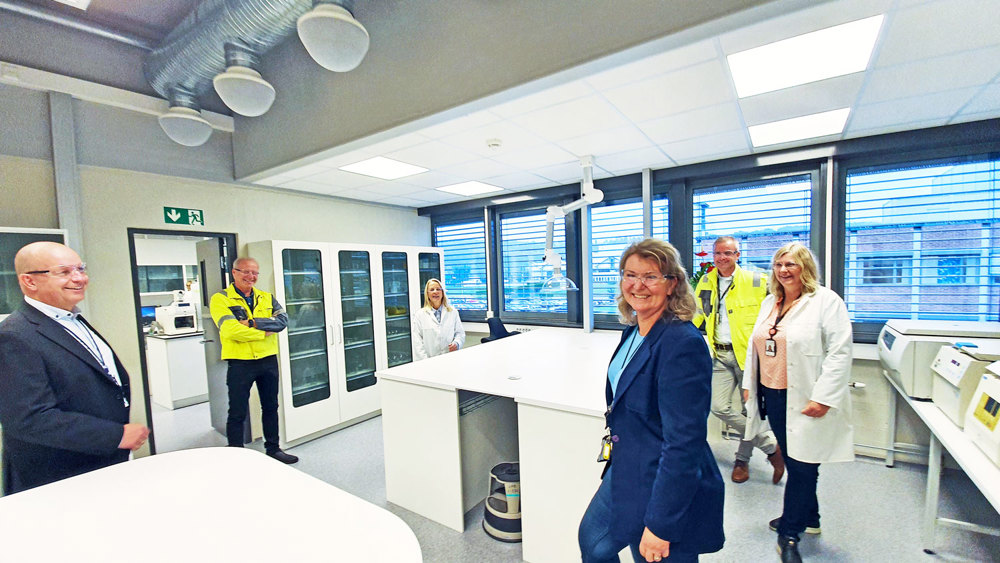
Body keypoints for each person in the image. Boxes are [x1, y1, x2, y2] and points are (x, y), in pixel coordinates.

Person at [579, 239, 724, 563]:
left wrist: (661, 526)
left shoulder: (681, 343)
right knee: (593, 541)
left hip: (664, 476)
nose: (637, 285)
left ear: (672, 284)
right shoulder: (635, 329)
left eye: (650, 277)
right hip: (630, 463)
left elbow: (684, 444)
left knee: (649, 553)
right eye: (630, 275)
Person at [0, 242, 149, 494]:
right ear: (30, 281)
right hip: (59, 476)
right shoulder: (15, 336)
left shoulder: (70, 318)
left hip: (99, 462)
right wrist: (115, 435)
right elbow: (29, 418)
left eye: (80, 268)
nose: (79, 278)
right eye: (64, 272)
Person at [741, 242, 853, 563]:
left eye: (791, 264)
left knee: (803, 465)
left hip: (805, 396)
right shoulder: (769, 302)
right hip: (772, 394)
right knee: (795, 459)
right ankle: (810, 518)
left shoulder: (826, 302)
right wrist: (751, 385)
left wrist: (823, 397)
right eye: (778, 264)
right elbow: (757, 347)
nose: (783, 270)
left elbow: (840, 352)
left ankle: (789, 533)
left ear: (805, 267)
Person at [692, 236, 784, 484]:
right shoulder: (706, 281)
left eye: (728, 253)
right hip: (719, 355)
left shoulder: (757, 280)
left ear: (737, 255)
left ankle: (741, 460)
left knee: (750, 411)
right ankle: (772, 448)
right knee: (718, 407)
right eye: (718, 253)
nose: (722, 258)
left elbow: (780, 309)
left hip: (748, 357)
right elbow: (697, 316)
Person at [209, 257, 298, 464]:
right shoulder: (221, 299)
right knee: (237, 409)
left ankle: (273, 449)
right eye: (246, 272)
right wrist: (263, 332)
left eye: (255, 273)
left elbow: (283, 321)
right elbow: (230, 329)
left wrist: (251, 323)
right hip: (240, 362)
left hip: (267, 360)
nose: (251, 277)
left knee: (270, 406)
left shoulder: (267, 297)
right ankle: (236, 453)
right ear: (234, 272)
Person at [412, 278, 465, 361]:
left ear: (442, 293)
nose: (435, 292)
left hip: (450, 359)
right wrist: (425, 361)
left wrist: (456, 343)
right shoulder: (420, 315)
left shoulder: (452, 312)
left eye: (438, 289)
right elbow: (417, 342)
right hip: (427, 361)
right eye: (432, 290)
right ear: (427, 294)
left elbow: (460, 333)